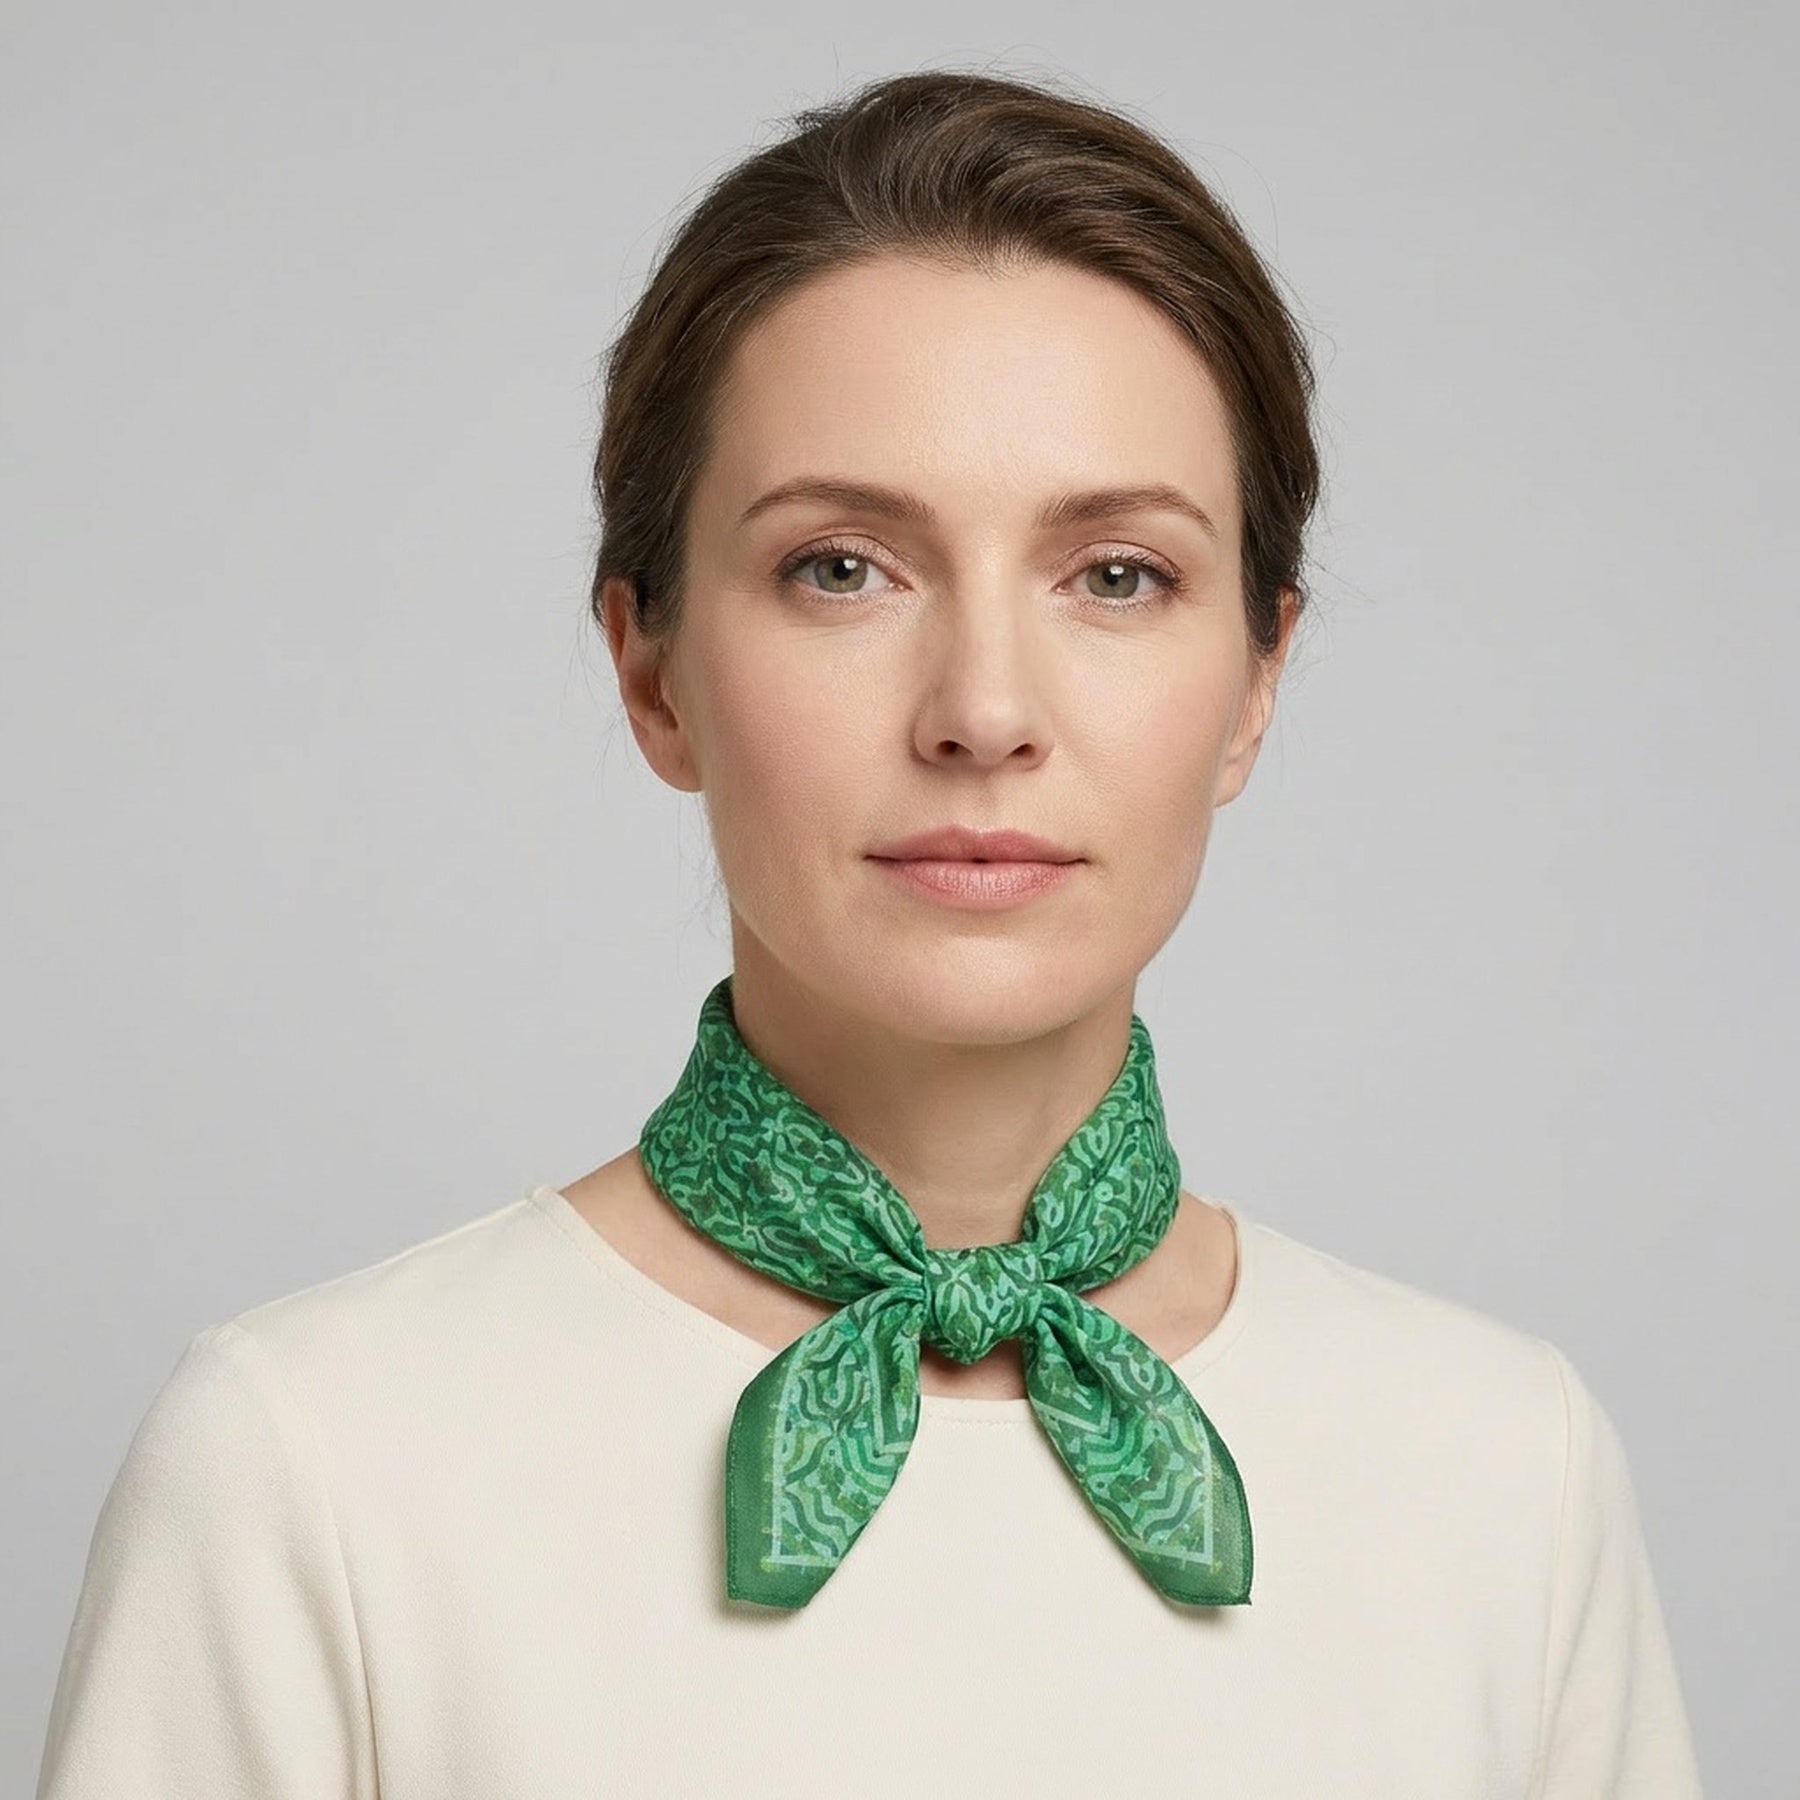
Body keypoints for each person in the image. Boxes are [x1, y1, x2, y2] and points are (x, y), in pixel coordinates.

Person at [35, 67, 1704, 1798]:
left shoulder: (1512, 1473)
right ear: (650, 667)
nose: (983, 711)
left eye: (1117, 574)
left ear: (1256, 684)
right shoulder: (312, 1463)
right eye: (843, 567)